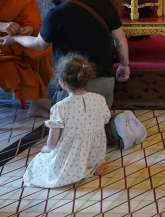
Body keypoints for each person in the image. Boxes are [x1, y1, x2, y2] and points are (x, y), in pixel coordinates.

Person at [0, 0, 130, 146]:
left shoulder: (56, 14)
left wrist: (14, 38)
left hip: (76, 86)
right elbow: (119, 37)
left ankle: (115, 129)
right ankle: (115, 125)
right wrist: (124, 64)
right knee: (95, 120)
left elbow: (39, 44)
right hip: (106, 83)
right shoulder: (103, 2)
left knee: (71, 128)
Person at [23, 55, 112, 189]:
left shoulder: (60, 107)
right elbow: (104, 120)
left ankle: (76, 169)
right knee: (90, 147)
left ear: (62, 82)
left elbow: (53, 141)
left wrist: (47, 149)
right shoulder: (100, 99)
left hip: (70, 154)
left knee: (38, 162)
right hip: (94, 151)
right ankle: (94, 164)